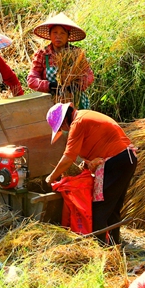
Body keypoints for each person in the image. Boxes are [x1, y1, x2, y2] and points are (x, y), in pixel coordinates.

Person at [45, 103, 138, 246]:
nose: (63, 130)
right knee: (112, 209)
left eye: (61, 128)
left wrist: (51, 177)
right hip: (126, 159)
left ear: (64, 120)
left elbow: (68, 158)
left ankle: (100, 249)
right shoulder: (85, 116)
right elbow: (99, 144)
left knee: (99, 209)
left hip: (116, 162)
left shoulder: (78, 123)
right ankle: (114, 245)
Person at [27, 12, 95, 109]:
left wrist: (76, 86)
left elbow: (89, 75)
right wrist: (50, 86)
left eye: (62, 33)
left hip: (75, 102)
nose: (58, 36)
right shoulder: (42, 54)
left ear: (68, 36)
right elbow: (32, 80)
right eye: (55, 32)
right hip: (50, 104)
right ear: (49, 34)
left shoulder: (77, 53)